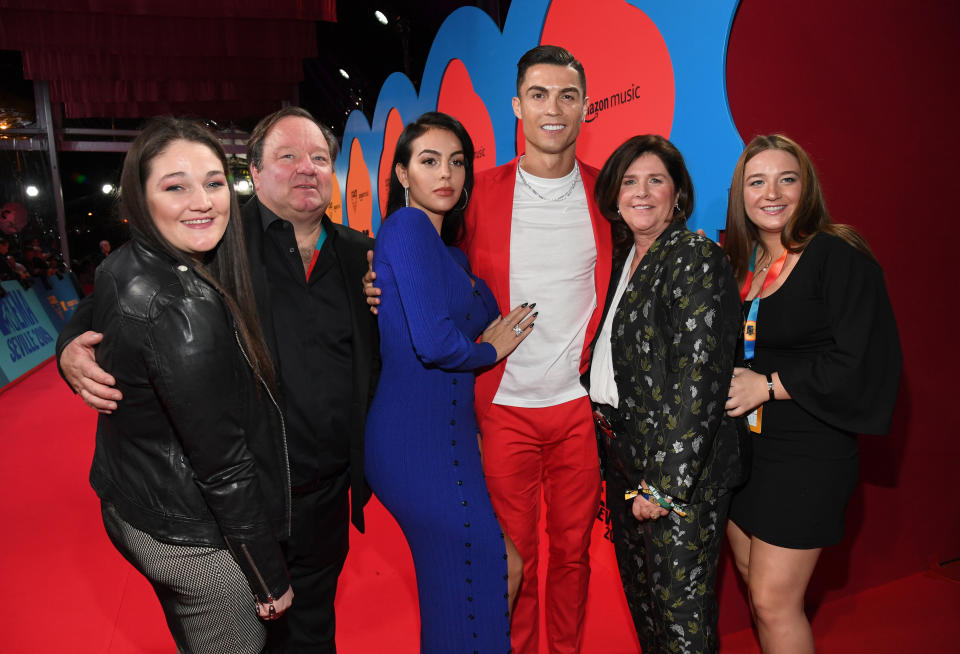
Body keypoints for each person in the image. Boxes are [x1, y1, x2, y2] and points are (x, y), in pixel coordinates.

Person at [56, 107, 380, 654]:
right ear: (253, 170)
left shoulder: (359, 254)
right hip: (246, 495)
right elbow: (118, 294)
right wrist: (69, 346)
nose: (307, 169)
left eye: (320, 158)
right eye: (287, 156)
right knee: (258, 634)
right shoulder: (218, 233)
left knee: (315, 628)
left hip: (327, 490)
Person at [366, 45, 611, 654]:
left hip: (577, 408)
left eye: (568, 95)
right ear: (516, 107)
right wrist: (381, 285)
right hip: (500, 409)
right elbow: (432, 273)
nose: (553, 109)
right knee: (511, 562)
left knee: (574, 556)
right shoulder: (478, 199)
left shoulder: (610, 197)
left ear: (585, 106)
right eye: (539, 95)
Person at [85, 117, 292, 653]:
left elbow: (95, 305)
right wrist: (266, 573)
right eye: (176, 186)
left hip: (137, 500)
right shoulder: (181, 308)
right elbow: (222, 464)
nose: (203, 202)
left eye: (214, 183)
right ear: (140, 197)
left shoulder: (122, 264)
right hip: (192, 539)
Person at [723, 134, 901, 654]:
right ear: (742, 194)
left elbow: (861, 360)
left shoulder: (835, 253)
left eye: (787, 179)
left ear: (808, 188)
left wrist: (769, 386)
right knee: (756, 589)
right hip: (747, 453)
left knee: (775, 601)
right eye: (757, 181)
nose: (771, 192)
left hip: (808, 453)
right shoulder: (745, 264)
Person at [365, 111, 533, 653]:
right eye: (430, 161)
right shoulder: (408, 227)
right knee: (481, 574)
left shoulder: (450, 253)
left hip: (450, 438)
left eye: (458, 162)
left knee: (480, 578)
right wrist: (490, 348)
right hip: (416, 441)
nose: (447, 174)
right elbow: (435, 344)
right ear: (402, 174)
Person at [586, 135, 747, 653]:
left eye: (656, 180)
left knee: (682, 623)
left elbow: (698, 379)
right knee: (648, 613)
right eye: (630, 182)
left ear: (677, 194)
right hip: (624, 460)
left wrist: (664, 486)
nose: (642, 192)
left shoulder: (694, 257)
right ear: (614, 195)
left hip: (680, 476)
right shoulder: (623, 260)